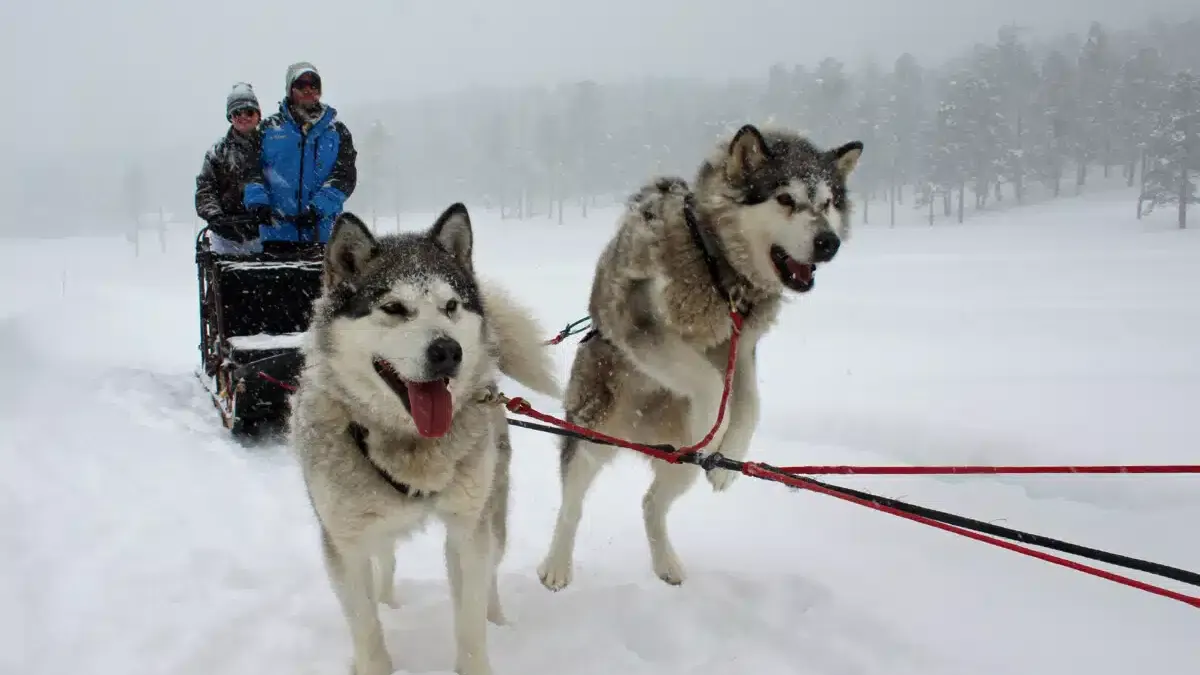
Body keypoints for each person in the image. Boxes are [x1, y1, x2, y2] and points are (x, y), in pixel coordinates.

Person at [243, 62, 357, 245]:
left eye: (313, 85)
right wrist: (258, 203)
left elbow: (344, 177)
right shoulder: (267, 130)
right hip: (276, 236)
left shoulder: (337, 131)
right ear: (290, 90)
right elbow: (251, 171)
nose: (308, 90)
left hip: (324, 237)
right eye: (301, 85)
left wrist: (317, 209)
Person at [194, 82, 265, 255]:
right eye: (236, 113)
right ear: (230, 117)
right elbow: (205, 189)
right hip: (226, 238)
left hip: (265, 234)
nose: (243, 117)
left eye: (249, 112)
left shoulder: (272, 146)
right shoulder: (217, 152)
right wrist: (216, 218)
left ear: (258, 115)